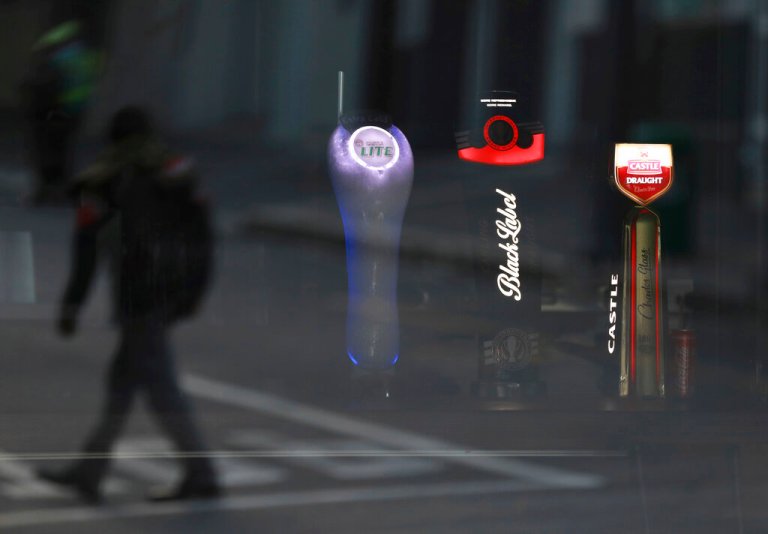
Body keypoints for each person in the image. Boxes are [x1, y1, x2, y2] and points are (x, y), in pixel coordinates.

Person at [38, 106, 219, 503]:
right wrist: (193, 294)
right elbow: (203, 237)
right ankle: (90, 471)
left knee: (160, 387)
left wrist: (71, 307)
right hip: (170, 294)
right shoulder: (175, 170)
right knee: (122, 383)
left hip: (138, 298)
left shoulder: (103, 180)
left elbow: (86, 250)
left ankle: (201, 473)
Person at [20, 19, 100, 204]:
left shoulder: (59, 60)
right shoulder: (86, 57)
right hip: (74, 112)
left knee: (47, 153)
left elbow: (42, 87)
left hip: (52, 112)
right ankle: (60, 191)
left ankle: (46, 191)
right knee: (63, 152)